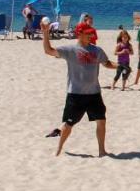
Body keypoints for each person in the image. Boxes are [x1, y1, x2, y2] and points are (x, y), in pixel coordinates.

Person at [43, 19, 116, 156]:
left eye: (91, 33)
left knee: (101, 121)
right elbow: (49, 50)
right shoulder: (70, 50)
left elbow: (106, 63)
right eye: (87, 33)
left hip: (94, 94)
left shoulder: (97, 50)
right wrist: (46, 32)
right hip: (75, 95)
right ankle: (58, 149)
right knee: (68, 125)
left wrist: (119, 66)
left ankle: (102, 151)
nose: (90, 36)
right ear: (79, 33)